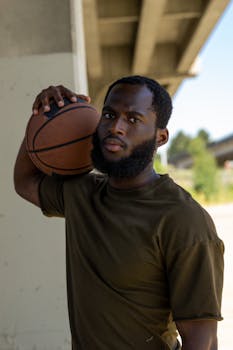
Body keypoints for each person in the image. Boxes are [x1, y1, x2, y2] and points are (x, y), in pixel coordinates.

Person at [14, 75, 224, 350]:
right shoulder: (81, 193)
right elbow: (25, 182)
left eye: (133, 119)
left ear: (160, 137)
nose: (116, 127)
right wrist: (44, 117)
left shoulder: (183, 219)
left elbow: (202, 340)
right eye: (109, 115)